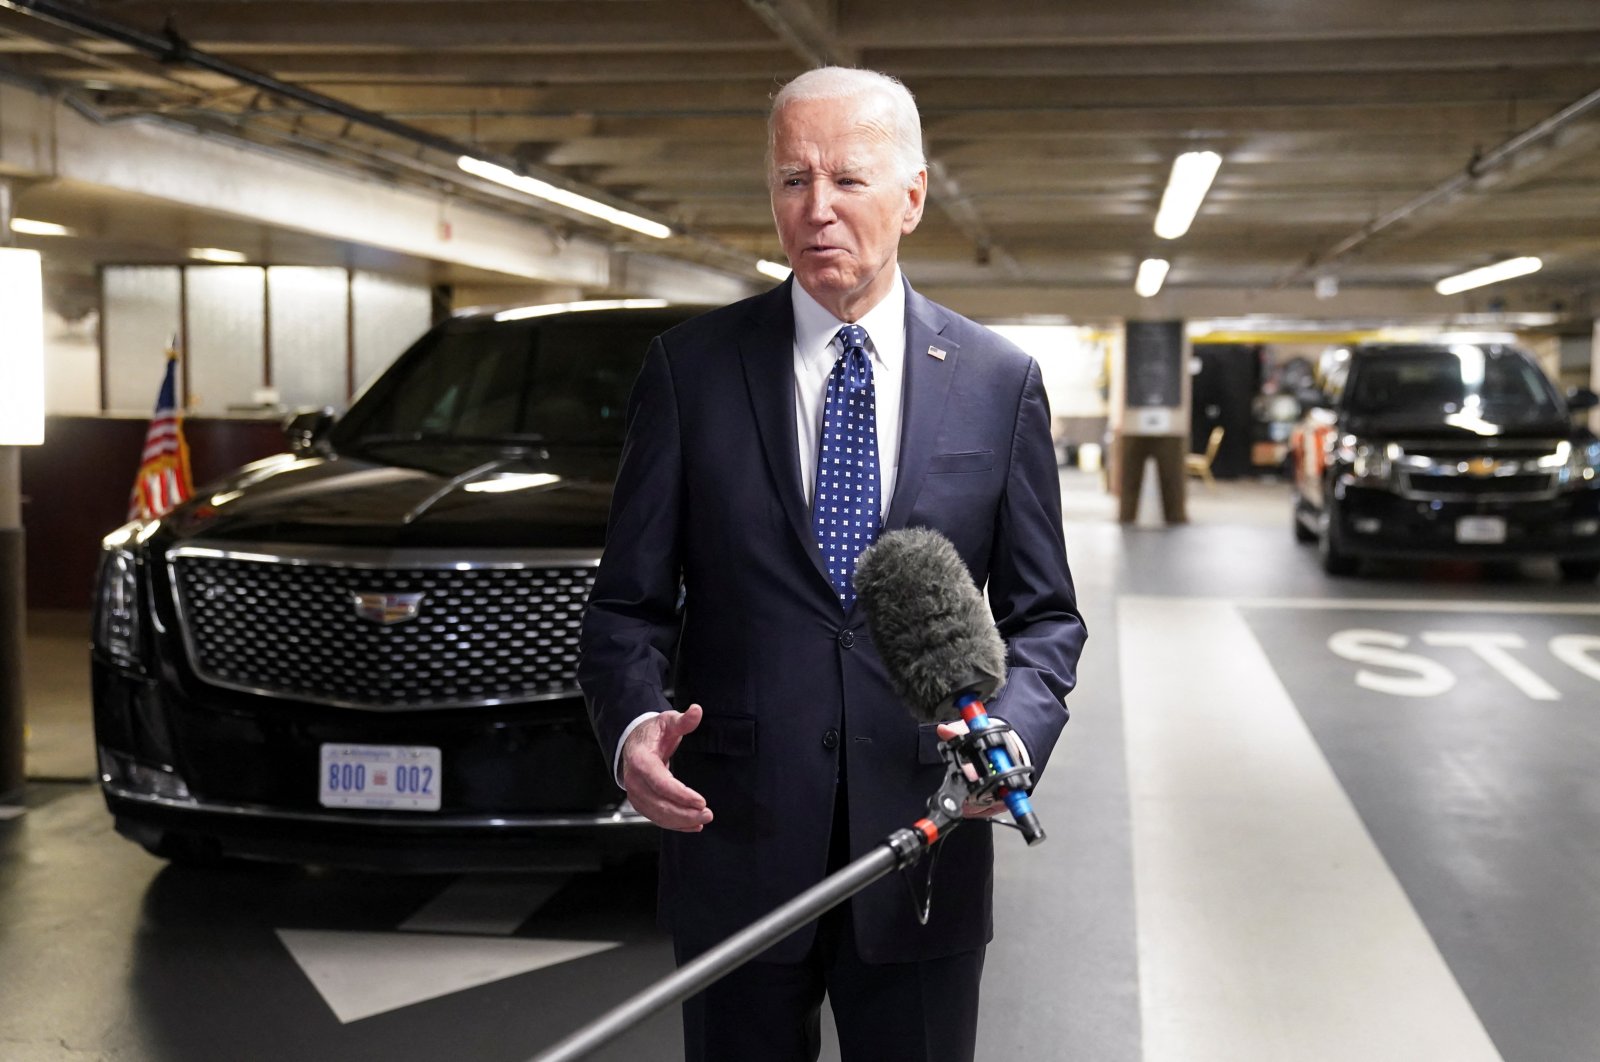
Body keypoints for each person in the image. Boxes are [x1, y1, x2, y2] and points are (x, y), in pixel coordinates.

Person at [578, 65, 1086, 1062]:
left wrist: (1014, 737)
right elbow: (628, 604)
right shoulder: (690, 372)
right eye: (790, 181)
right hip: (735, 842)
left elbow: (1043, 618)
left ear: (912, 195)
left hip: (926, 842)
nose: (816, 211)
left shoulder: (997, 383)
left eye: (847, 181)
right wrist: (633, 725)